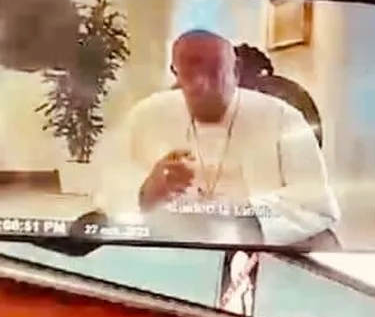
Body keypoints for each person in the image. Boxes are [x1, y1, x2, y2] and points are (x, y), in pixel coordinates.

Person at [93, 29, 341, 247]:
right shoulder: (147, 113)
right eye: (188, 73)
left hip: (257, 250)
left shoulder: (283, 117)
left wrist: (241, 217)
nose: (200, 85)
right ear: (175, 72)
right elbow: (108, 186)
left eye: (212, 72)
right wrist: (147, 191)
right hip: (168, 248)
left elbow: (315, 204)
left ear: (236, 71)